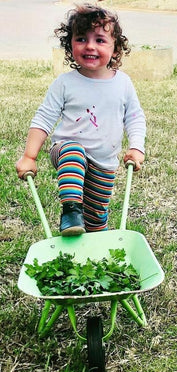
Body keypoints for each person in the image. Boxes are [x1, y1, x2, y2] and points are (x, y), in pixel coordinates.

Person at [16, 3, 146, 236]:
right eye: (81, 39)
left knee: (96, 221)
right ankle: (71, 210)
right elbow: (44, 118)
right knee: (75, 152)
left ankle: (91, 251)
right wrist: (29, 155)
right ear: (70, 45)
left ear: (116, 49)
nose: (90, 46)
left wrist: (136, 147)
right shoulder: (65, 83)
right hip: (66, 152)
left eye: (99, 40)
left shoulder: (123, 83)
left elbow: (135, 117)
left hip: (104, 164)